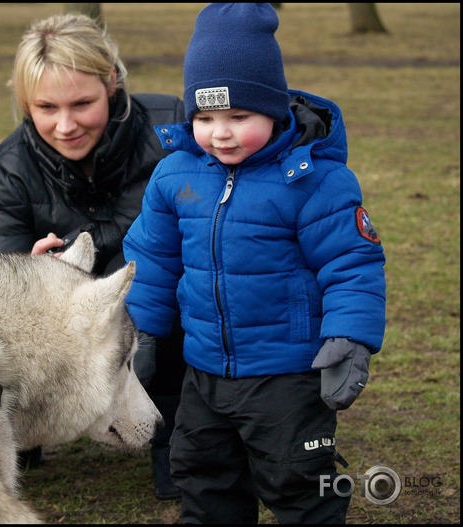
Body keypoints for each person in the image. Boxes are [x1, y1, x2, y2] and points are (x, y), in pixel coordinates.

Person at [123, 3, 387, 523]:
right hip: (202, 372)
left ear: (274, 109)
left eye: (238, 117)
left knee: (299, 484)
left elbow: (352, 264)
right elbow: (153, 259)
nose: (220, 133)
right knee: (203, 476)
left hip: (288, 375)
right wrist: (140, 334)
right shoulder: (175, 175)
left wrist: (350, 339)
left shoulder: (315, 181)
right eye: (204, 118)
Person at [0, 13, 187, 501]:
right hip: (70, 320)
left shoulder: (172, 126)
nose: (65, 125)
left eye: (82, 104)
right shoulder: (10, 166)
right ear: (25, 102)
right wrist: (25, 271)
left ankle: (182, 432)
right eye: (45, 107)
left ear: (111, 81)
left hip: (166, 306)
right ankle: (27, 430)